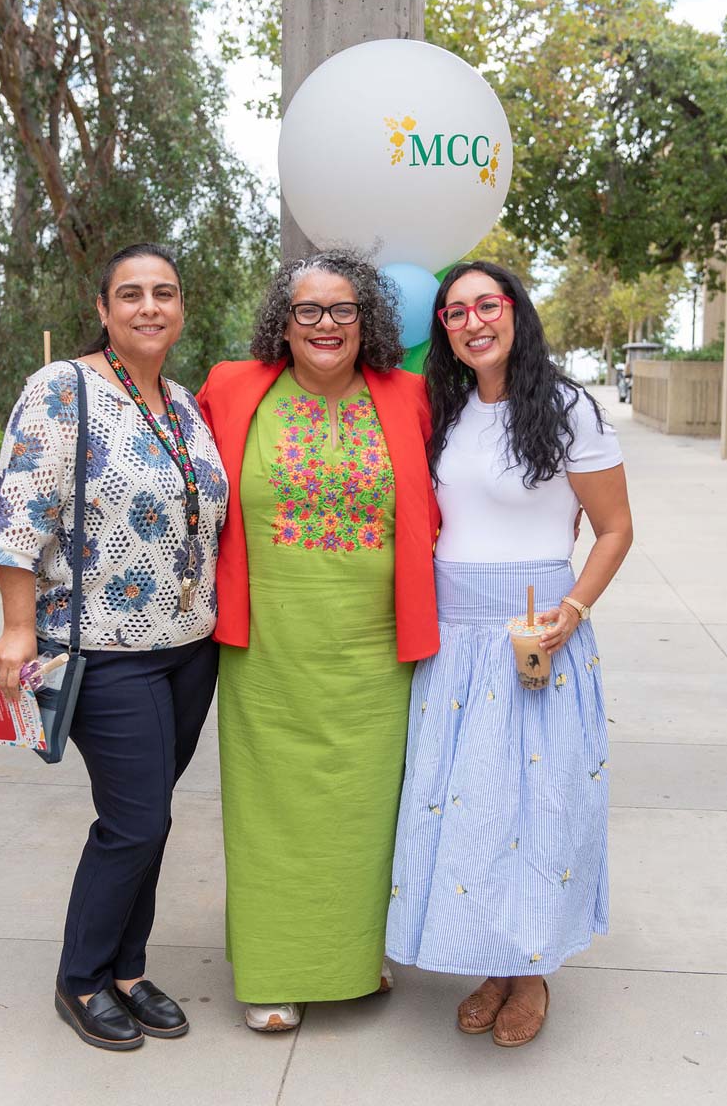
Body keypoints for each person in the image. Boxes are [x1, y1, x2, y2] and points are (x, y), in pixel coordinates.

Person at [386, 260, 633, 1048]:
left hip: (535, 638)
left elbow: (614, 529)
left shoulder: (566, 410)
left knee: (533, 811)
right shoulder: (443, 410)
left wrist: (573, 609)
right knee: (470, 812)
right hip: (452, 644)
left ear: (515, 312)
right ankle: (493, 962)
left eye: (485, 305)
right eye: (454, 312)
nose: (472, 322)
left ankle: (529, 974)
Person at [0, 242, 228, 1051]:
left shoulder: (184, 405)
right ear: (102, 309)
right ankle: (81, 977)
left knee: (150, 819)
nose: (149, 307)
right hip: (102, 648)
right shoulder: (63, 388)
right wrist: (17, 627)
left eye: (164, 292)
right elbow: (19, 511)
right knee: (135, 821)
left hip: (189, 647)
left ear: (181, 306)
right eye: (131, 294)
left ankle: (128, 969)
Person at [197, 250, 440, 1031]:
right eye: (308, 310)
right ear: (284, 320)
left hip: (374, 648)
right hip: (268, 646)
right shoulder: (230, 388)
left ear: (367, 320)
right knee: (271, 810)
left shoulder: (409, 396)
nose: (325, 324)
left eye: (342, 309)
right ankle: (275, 972)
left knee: (365, 810)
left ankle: (351, 955)